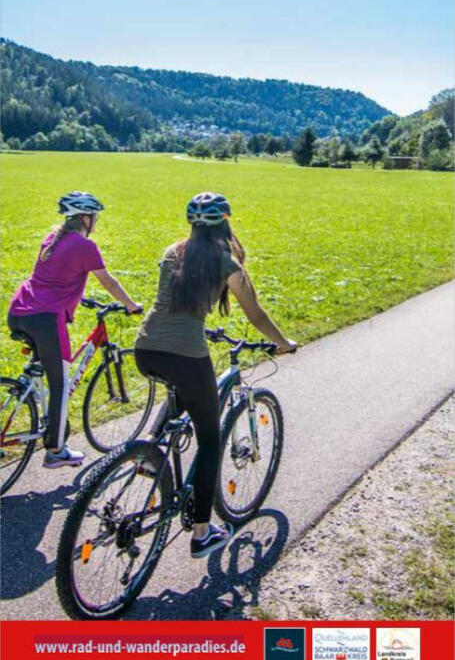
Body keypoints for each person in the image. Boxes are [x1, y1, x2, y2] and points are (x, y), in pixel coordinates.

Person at [135, 191, 297, 560]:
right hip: (186, 355)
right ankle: (203, 532)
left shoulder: (171, 252)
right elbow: (255, 314)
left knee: (179, 394)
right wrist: (283, 342)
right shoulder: (227, 264)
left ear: (192, 224)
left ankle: (148, 451)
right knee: (209, 441)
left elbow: (174, 302)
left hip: (146, 348)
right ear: (225, 223)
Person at [8, 191, 142, 469]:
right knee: (60, 384)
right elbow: (109, 282)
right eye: (95, 217)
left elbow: (54, 278)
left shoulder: (52, 238)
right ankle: (56, 451)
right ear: (85, 217)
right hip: (46, 320)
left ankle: (36, 409)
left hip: (20, 312)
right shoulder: (84, 246)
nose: (97, 222)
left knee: (42, 371)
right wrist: (131, 305)